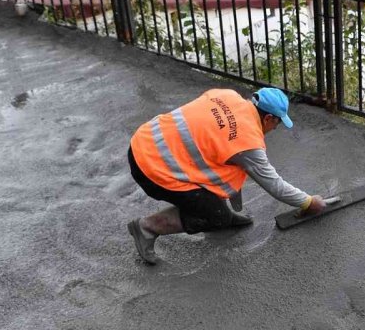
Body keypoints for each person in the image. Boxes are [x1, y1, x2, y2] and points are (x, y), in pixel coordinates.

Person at [126, 87, 325, 264]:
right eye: (277, 124)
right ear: (268, 119)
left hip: (143, 142)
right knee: (214, 217)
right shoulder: (248, 143)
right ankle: (147, 227)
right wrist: (308, 202)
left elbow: (211, 141)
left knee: (226, 164)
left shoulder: (225, 95)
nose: (275, 129)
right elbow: (274, 184)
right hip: (151, 170)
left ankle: (222, 213)